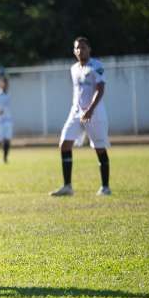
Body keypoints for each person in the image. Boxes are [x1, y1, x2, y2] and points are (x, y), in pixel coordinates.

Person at [50, 37, 111, 197]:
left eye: (83, 48)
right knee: (64, 144)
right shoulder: (74, 68)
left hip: (94, 113)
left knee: (99, 148)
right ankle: (67, 186)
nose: (80, 51)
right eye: (77, 48)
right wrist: (79, 110)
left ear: (89, 49)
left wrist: (90, 110)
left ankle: (105, 187)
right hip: (76, 112)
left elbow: (100, 89)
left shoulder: (97, 66)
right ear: (74, 51)